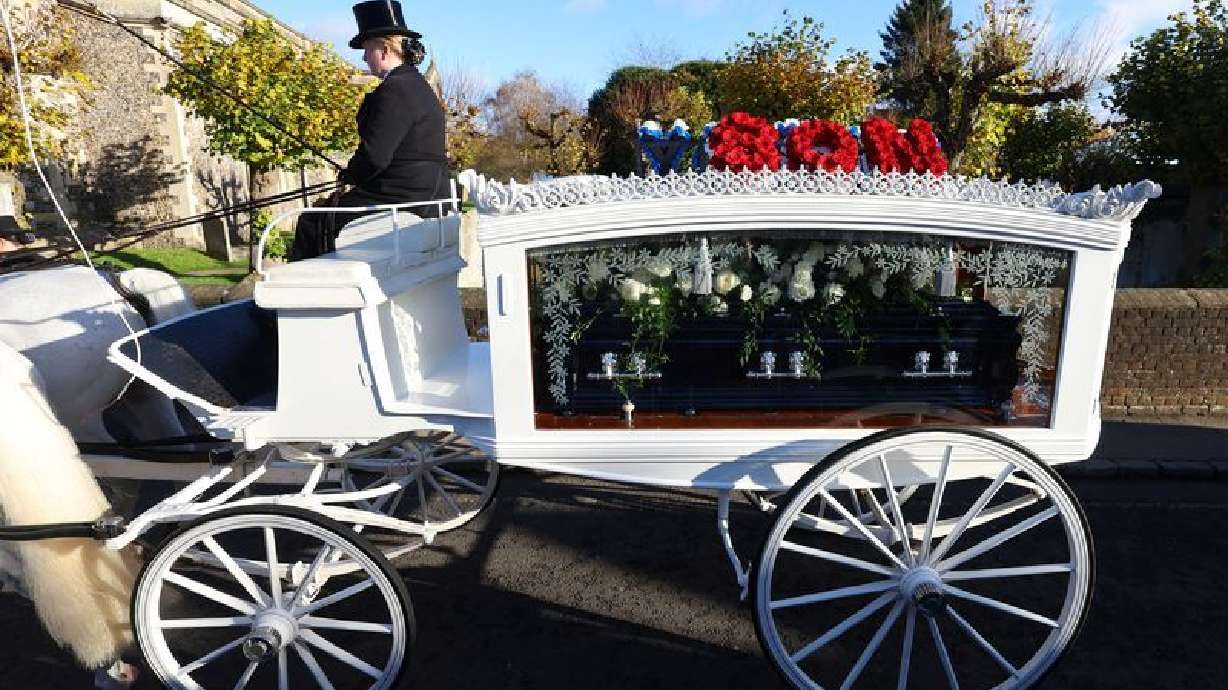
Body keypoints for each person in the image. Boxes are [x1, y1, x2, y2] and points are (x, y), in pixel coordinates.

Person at [289, 0, 451, 261]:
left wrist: (352, 173)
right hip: (425, 195)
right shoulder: (418, 86)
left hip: (402, 198)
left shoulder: (394, 90)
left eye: (367, 50)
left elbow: (375, 156)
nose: (364, 58)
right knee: (326, 213)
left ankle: (310, 299)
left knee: (312, 221)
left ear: (384, 50)